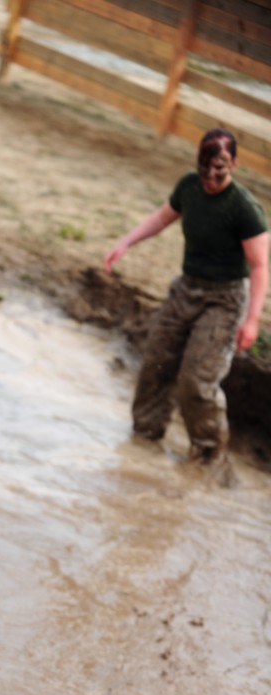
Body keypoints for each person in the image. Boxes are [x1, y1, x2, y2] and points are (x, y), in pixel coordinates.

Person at [104, 128, 268, 475]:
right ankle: (143, 442)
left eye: (219, 171)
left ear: (234, 165)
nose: (210, 177)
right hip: (185, 289)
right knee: (156, 364)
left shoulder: (244, 208)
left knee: (196, 380)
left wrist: (251, 320)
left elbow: (259, 266)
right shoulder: (189, 186)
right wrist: (125, 243)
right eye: (204, 168)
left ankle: (208, 461)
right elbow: (162, 218)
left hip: (223, 300)